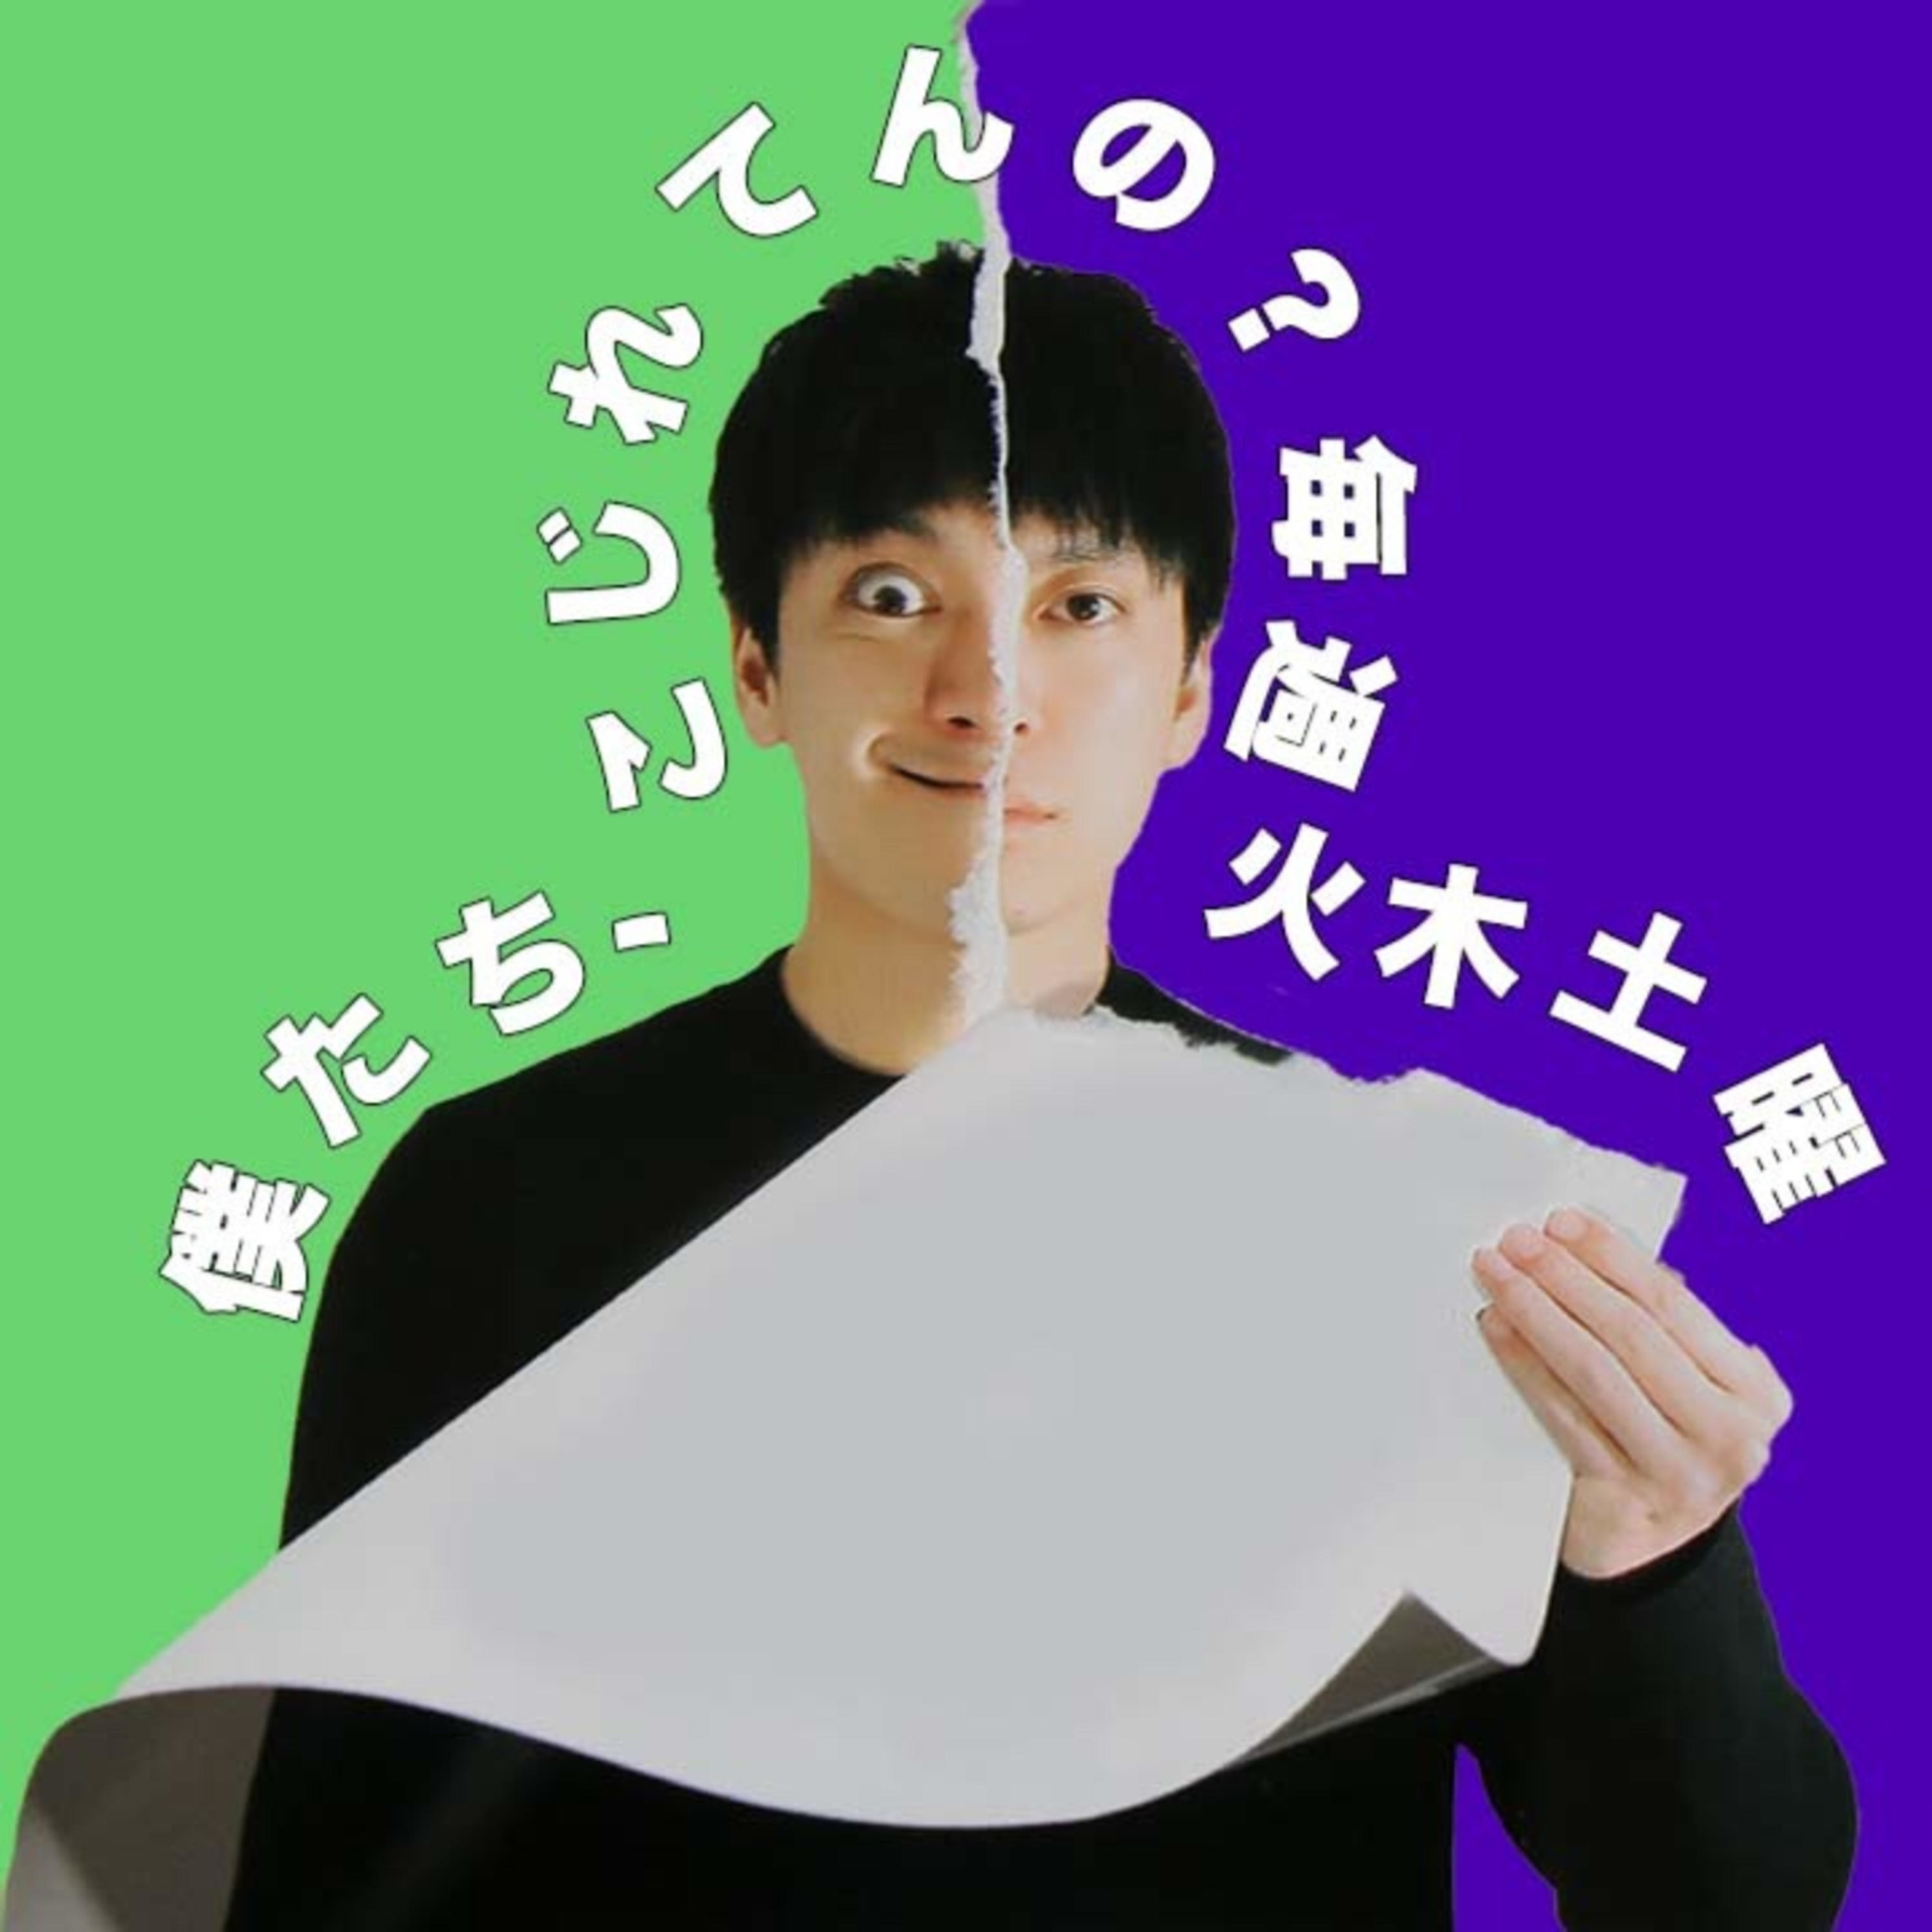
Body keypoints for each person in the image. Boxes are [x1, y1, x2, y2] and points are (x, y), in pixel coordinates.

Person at [223, 243, 1855, 1929]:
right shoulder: (496, 1199)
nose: (986, 694)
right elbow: (326, 1870)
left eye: (1078, 607)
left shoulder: (1420, 1232)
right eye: (890, 595)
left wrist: (1653, 1557)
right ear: (757, 665)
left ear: (1192, 685)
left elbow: (1731, 1900)